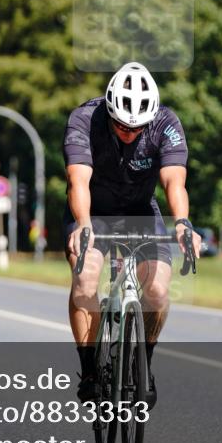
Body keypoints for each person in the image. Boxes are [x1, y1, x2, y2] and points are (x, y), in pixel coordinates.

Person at [63, 62, 201, 406]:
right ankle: (90, 371)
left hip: (140, 213)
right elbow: (77, 180)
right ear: (109, 111)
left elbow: (174, 180)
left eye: (136, 127)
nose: (128, 131)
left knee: (156, 288)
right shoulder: (85, 120)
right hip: (93, 213)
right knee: (86, 279)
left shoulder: (166, 124)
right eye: (121, 125)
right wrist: (83, 225)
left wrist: (182, 223)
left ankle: (144, 364)